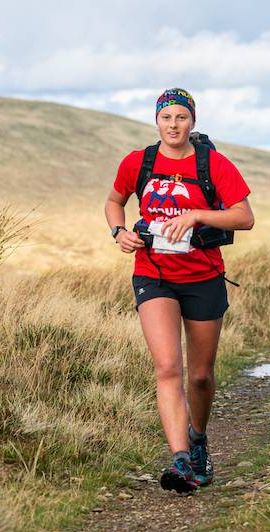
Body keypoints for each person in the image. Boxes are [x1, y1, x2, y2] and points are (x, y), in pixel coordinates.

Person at [104, 88, 254, 493]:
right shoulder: (139, 162)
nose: (173, 125)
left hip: (204, 276)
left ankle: (198, 438)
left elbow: (244, 217)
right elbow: (114, 201)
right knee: (168, 367)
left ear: (192, 121)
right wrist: (118, 231)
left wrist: (196, 216)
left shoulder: (213, 163)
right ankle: (181, 459)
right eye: (166, 117)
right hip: (153, 274)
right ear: (157, 121)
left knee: (201, 376)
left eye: (181, 117)